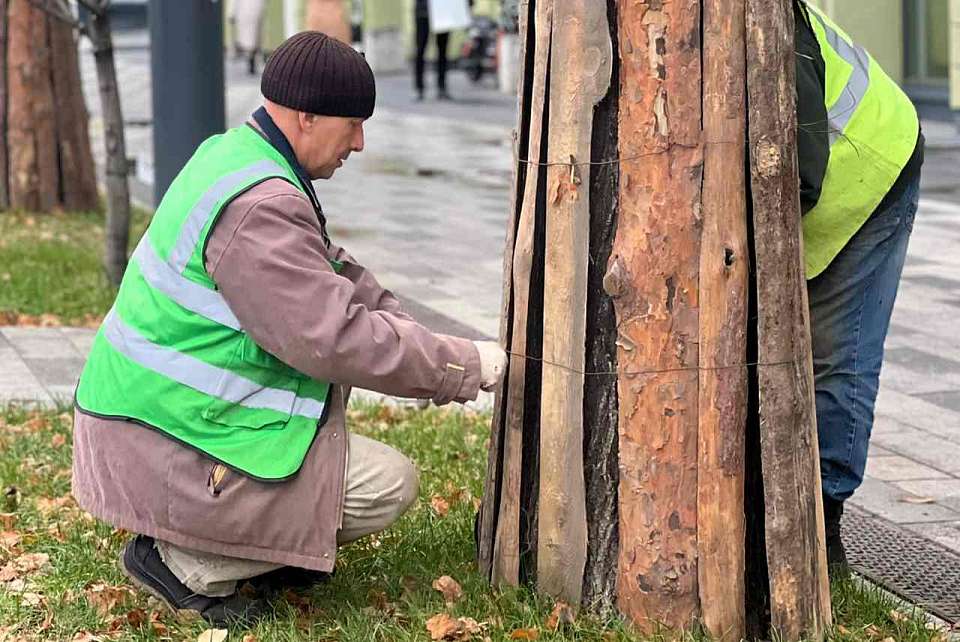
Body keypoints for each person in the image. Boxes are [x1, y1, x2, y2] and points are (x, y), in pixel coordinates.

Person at [71, 32, 508, 627]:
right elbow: (334, 337)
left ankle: (252, 548)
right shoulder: (260, 206)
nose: (359, 142)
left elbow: (332, 273)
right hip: (165, 449)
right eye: (352, 124)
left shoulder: (237, 156)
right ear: (305, 116)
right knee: (387, 484)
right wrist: (460, 368)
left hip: (157, 428)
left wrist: (421, 333)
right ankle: (182, 562)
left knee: (340, 464)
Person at [794, 0, 923, 573]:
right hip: (830, 176)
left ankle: (824, 523)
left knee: (838, 353)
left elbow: (796, 176)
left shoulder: (768, 27)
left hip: (874, 166)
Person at [413, 0, 452, 100]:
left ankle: (442, 87)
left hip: (442, 10)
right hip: (423, 11)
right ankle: (419, 87)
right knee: (420, 49)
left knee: (443, 50)